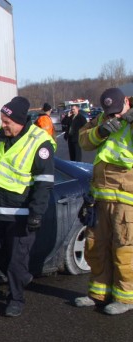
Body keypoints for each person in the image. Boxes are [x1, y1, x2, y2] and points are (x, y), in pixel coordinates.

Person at [0, 96, 56, 317]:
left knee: (16, 259)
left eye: (7, 122)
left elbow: (44, 183)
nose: (3, 125)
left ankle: (16, 298)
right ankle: (22, 277)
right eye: (2, 120)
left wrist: (37, 214)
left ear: (21, 121)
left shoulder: (39, 143)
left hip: (22, 212)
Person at [74, 87, 133, 314]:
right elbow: (84, 141)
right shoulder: (102, 118)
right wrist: (102, 130)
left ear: (126, 102)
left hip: (126, 198)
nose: (114, 116)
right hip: (100, 195)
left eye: (117, 111)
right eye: (110, 112)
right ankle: (99, 293)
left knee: (124, 248)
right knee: (96, 246)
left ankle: (126, 297)